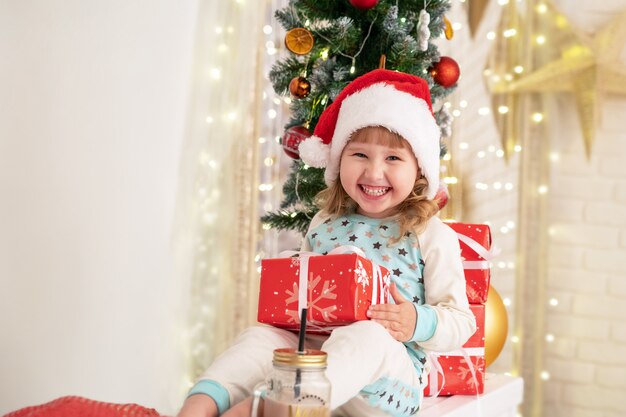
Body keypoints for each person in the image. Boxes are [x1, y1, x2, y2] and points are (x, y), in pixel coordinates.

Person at [177, 69, 476, 417]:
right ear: (338, 159)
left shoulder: (430, 233)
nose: (374, 172)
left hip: (385, 384)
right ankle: (200, 406)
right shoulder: (324, 223)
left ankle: (266, 410)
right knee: (260, 340)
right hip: (315, 361)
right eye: (360, 155)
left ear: (420, 170)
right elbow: (302, 303)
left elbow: (461, 321)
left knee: (367, 335)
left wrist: (416, 321)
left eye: (393, 158)